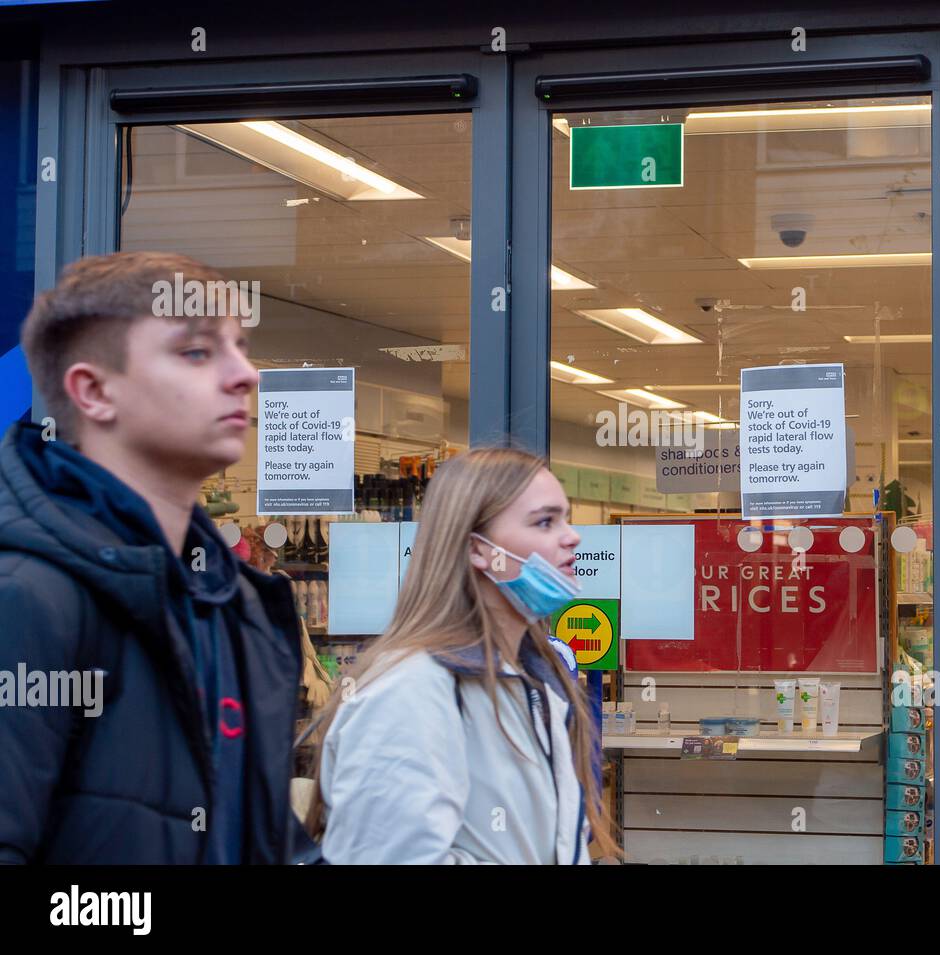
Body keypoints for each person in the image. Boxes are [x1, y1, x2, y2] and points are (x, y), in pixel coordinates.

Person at [0, 252, 307, 864]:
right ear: (93, 391)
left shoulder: (237, 603)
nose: (246, 374)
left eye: (241, 347)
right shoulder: (28, 597)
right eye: (196, 352)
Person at [308, 447, 616, 863]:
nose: (571, 535)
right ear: (477, 549)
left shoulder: (534, 682)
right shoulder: (410, 692)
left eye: (566, 517)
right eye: (545, 521)